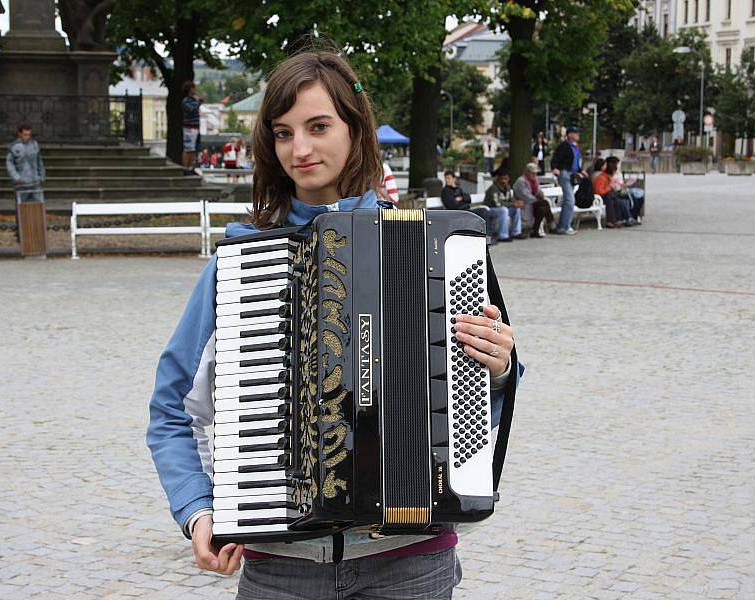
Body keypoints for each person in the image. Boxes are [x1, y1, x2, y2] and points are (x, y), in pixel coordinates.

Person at [147, 49, 518, 600]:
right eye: (282, 132)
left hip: (409, 561)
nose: (300, 149)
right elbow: (171, 408)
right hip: (281, 568)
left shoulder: (433, 248)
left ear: (354, 128)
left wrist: (501, 365)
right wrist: (196, 508)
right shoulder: (241, 262)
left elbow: (490, 386)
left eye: (318, 127)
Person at [550, 126, 588, 235]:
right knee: (570, 200)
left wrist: (581, 170)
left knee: (568, 200)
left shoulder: (575, 148)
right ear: (570, 135)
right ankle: (565, 226)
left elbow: (575, 162)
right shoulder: (565, 146)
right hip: (565, 173)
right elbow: (556, 158)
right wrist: (555, 168)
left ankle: (563, 225)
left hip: (573, 174)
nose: (578, 135)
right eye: (576, 133)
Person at [442, 170, 498, 243]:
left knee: (491, 213)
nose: (447, 180)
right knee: (483, 212)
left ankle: (491, 237)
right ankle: (486, 239)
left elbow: (469, 199)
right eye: (446, 178)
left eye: (449, 178)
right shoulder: (445, 191)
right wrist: (462, 201)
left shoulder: (458, 189)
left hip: (467, 210)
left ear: (454, 179)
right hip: (458, 212)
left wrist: (461, 198)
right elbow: (453, 205)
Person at [513, 162, 556, 238]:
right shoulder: (521, 181)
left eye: (535, 173)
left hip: (534, 203)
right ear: (527, 172)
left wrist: (540, 194)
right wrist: (537, 199)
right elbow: (525, 196)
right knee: (544, 203)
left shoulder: (535, 180)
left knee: (542, 209)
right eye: (532, 173)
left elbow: (538, 191)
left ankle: (535, 231)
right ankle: (551, 223)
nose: (534, 175)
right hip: (524, 203)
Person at [6, 123, 45, 205]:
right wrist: (16, 177)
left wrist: (42, 176)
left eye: (29, 135)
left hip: (35, 182)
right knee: (21, 208)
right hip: (21, 184)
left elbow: (39, 161)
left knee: (39, 206)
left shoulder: (34, 144)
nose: (27, 137)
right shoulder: (14, 146)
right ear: (20, 134)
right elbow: (9, 163)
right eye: (25, 135)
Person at [608, 156, 644, 224]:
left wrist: (625, 183)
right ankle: (629, 218)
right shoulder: (609, 174)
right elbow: (611, 186)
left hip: (622, 190)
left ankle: (634, 217)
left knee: (639, 198)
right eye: (617, 164)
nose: (618, 166)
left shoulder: (618, 173)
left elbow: (620, 183)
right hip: (616, 192)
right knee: (629, 199)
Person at [483, 164, 513, 242]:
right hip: (490, 209)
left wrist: (516, 204)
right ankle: (503, 235)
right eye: (502, 178)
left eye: (506, 178)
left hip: (503, 208)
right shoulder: (493, 188)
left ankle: (516, 232)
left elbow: (510, 200)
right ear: (498, 178)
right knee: (504, 210)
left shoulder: (508, 187)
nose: (504, 180)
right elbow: (497, 204)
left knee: (517, 210)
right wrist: (513, 204)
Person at [182, 81, 201, 174]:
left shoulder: (194, 100)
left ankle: (190, 167)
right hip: (188, 128)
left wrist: (198, 102)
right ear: (190, 89)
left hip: (195, 127)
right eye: (193, 88)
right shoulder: (186, 101)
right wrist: (198, 102)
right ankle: (185, 168)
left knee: (193, 149)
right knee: (188, 149)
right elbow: (191, 109)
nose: (195, 90)